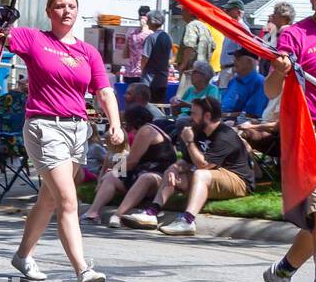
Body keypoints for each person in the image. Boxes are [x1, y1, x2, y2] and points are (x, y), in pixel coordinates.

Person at [3, 0, 123, 282]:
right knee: (68, 201)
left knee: (48, 200)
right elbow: (0, 35)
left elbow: (103, 91)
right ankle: (83, 270)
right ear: (49, 12)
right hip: (44, 127)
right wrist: (0, 21)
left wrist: (115, 123)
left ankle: (22, 255)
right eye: (59, 6)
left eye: (71, 6)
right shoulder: (34, 39)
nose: (66, 11)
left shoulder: (87, 51)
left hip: (77, 130)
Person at [262, 0, 316, 282]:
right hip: (308, 135)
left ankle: (281, 271)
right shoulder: (295, 36)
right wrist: (279, 71)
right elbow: (271, 90)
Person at [128, 97, 254, 236]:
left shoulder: (224, 135)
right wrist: (174, 168)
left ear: (207, 116)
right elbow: (187, 162)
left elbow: (203, 165)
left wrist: (190, 142)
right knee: (171, 173)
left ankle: (187, 221)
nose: (190, 117)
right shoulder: (198, 131)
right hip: (207, 176)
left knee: (200, 174)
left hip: (237, 179)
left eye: (194, 113)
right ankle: (149, 213)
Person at [84, 106, 177, 228]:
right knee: (111, 177)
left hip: (159, 178)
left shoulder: (146, 131)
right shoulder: (154, 129)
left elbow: (132, 161)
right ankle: (92, 213)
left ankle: (118, 215)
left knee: (144, 177)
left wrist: (115, 168)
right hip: (141, 173)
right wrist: (111, 172)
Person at [220, 49, 268, 121]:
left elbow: (251, 114)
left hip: (239, 125)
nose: (234, 62)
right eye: (234, 59)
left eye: (238, 59)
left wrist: (222, 115)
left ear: (249, 62)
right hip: (222, 120)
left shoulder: (259, 82)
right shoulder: (233, 80)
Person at [139, 9, 172, 104]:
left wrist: (141, 70)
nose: (146, 21)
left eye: (148, 19)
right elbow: (170, 58)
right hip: (162, 79)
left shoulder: (151, 38)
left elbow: (145, 58)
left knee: (148, 105)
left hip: (149, 80)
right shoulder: (168, 37)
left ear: (152, 21)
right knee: (159, 105)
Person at [218, 0, 250, 86]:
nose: (225, 12)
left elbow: (242, 54)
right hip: (226, 70)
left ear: (238, 12)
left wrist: (236, 71)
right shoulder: (232, 28)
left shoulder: (242, 29)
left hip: (232, 71)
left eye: (228, 10)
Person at [258, 2, 294, 75]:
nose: (272, 15)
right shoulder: (280, 32)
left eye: (275, 13)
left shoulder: (285, 33)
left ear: (285, 17)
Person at [122, 5, 152, 83]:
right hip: (146, 74)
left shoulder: (131, 33)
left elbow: (125, 55)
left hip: (131, 73)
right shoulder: (152, 34)